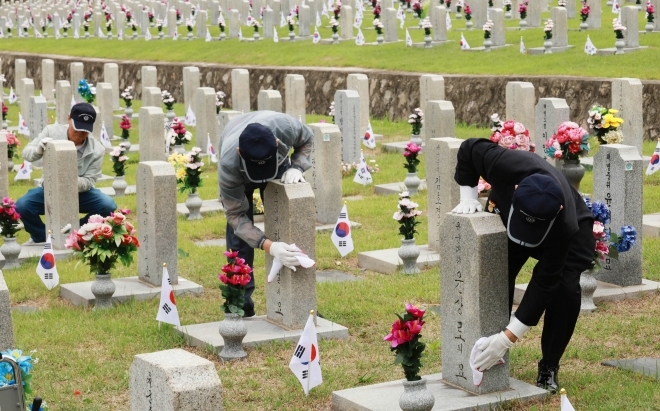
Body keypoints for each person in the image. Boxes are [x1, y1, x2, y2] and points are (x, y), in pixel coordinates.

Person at [451, 138, 595, 393]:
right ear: (515, 189)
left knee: (565, 290)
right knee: (495, 275)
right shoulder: (506, 164)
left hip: (561, 237)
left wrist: (509, 337)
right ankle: (486, 345)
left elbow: (543, 283)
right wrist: (468, 196)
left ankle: (549, 365)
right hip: (508, 221)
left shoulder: (565, 226)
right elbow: (468, 149)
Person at [219, 111, 313, 318]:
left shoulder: (286, 126)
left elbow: (307, 138)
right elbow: (235, 215)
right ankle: (240, 302)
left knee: (286, 218)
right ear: (240, 152)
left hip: (278, 165)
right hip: (239, 172)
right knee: (239, 240)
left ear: (278, 143)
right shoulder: (228, 163)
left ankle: (297, 304)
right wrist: (268, 245)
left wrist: (297, 166)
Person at [16, 103, 117, 245]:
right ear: (69, 118)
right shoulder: (51, 132)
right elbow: (26, 153)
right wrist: (39, 150)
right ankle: (41, 235)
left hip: (80, 193)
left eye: (85, 130)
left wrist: (67, 180)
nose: (80, 133)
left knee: (108, 205)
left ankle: (78, 232)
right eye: (77, 127)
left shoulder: (97, 149)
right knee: (22, 205)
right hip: (49, 190)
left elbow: (89, 181)